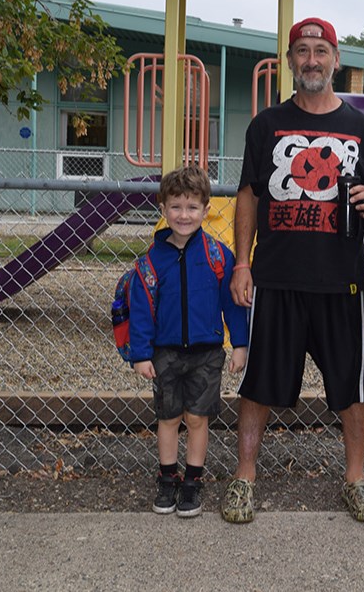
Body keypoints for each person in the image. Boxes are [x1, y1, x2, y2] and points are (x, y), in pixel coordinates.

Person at [221, 17, 364, 524]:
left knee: (352, 389)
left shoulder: (361, 128)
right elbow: (248, 195)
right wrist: (243, 263)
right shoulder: (266, 125)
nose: (312, 60)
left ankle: (356, 480)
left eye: (321, 50)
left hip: (345, 280)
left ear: (336, 60)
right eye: (302, 51)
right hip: (277, 277)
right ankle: (244, 478)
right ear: (290, 61)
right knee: (258, 385)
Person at [129, 165, 249, 518]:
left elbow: (233, 304)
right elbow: (140, 311)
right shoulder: (150, 262)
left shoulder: (218, 257)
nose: (184, 215)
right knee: (168, 419)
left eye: (192, 207)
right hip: (164, 354)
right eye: (176, 206)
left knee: (197, 419)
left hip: (207, 354)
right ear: (162, 208)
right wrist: (140, 354)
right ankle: (168, 478)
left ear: (206, 210)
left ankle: (192, 482)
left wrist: (239, 344)